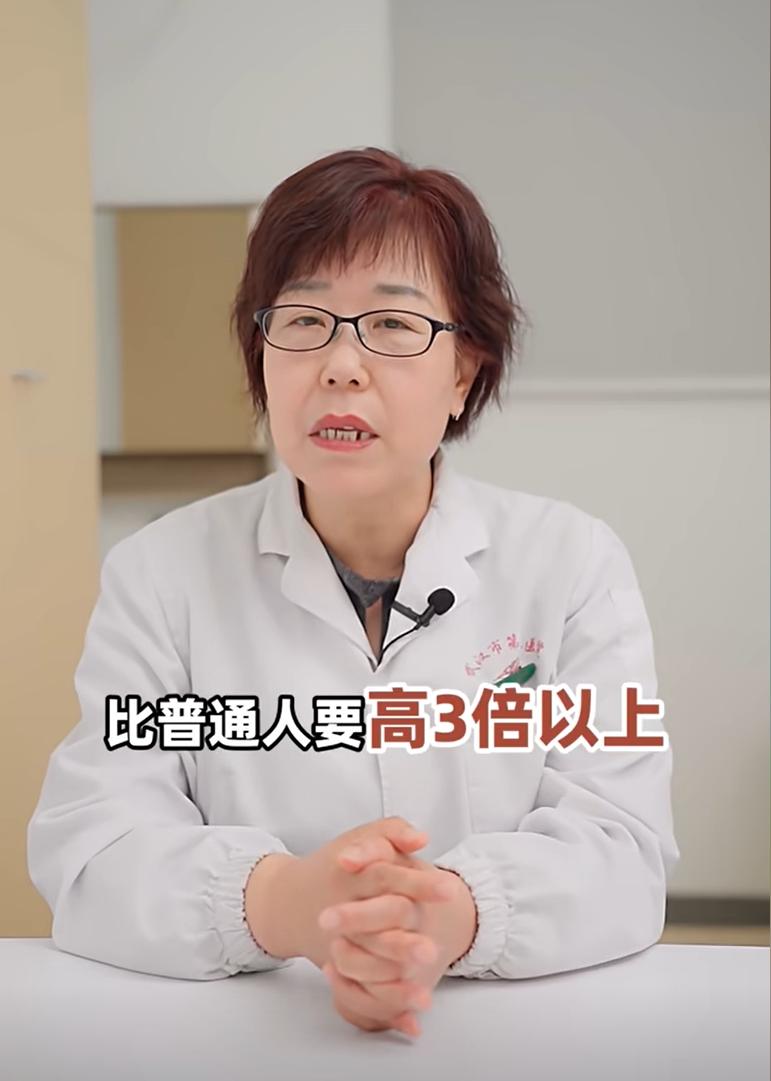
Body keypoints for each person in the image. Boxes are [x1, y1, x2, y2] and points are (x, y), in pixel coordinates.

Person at [27, 147, 679, 1040]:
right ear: (261, 352)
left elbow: (623, 848)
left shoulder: (569, 563)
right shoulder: (161, 571)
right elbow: (91, 849)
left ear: (463, 371)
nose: (340, 364)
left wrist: (448, 916)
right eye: (302, 320)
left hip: (505, 1034)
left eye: (393, 324)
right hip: (239, 1039)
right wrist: (289, 905)